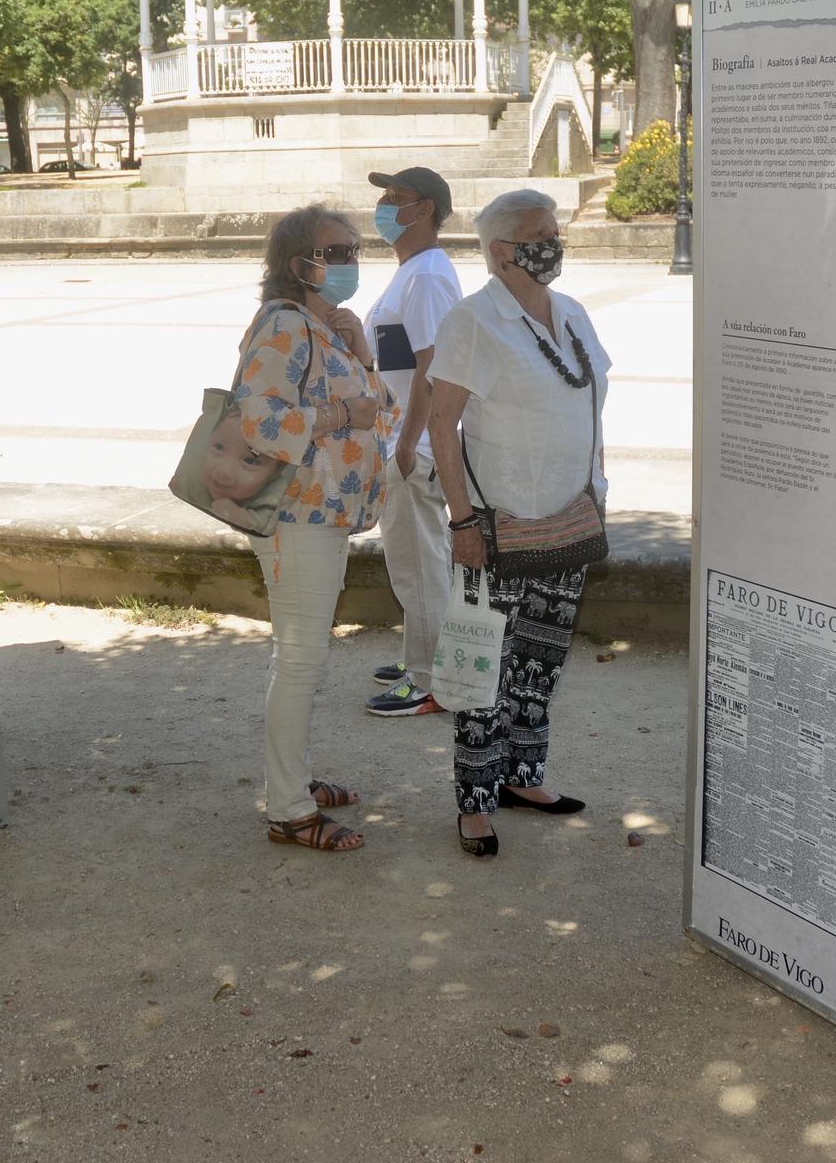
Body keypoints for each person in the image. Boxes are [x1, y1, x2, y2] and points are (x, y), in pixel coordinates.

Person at [427, 189, 610, 858]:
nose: (553, 241)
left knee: (539, 662)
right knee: (485, 666)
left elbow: (591, 408)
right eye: (539, 232)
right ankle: (474, 800)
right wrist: (462, 521)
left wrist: (598, 489)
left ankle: (522, 778)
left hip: (569, 520)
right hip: (497, 527)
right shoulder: (474, 321)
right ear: (501, 251)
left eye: (555, 229)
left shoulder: (573, 315)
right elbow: (440, 425)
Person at [233, 205, 397, 852]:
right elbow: (259, 423)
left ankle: (293, 779)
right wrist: (343, 409)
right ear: (299, 263)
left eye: (354, 248)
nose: (350, 260)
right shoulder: (283, 325)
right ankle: (289, 809)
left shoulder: (323, 328)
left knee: (301, 658)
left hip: (319, 515)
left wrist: (360, 354)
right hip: (295, 518)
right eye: (336, 251)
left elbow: (378, 413)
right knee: (300, 659)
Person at [362, 167, 463, 717]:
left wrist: (408, 443)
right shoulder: (413, 271)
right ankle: (421, 656)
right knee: (416, 561)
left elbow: (434, 366)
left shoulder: (425, 277)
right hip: (404, 441)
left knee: (418, 563)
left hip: (413, 450)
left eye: (394, 197)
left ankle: (430, 682)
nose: (382, 205)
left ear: (424, 209)